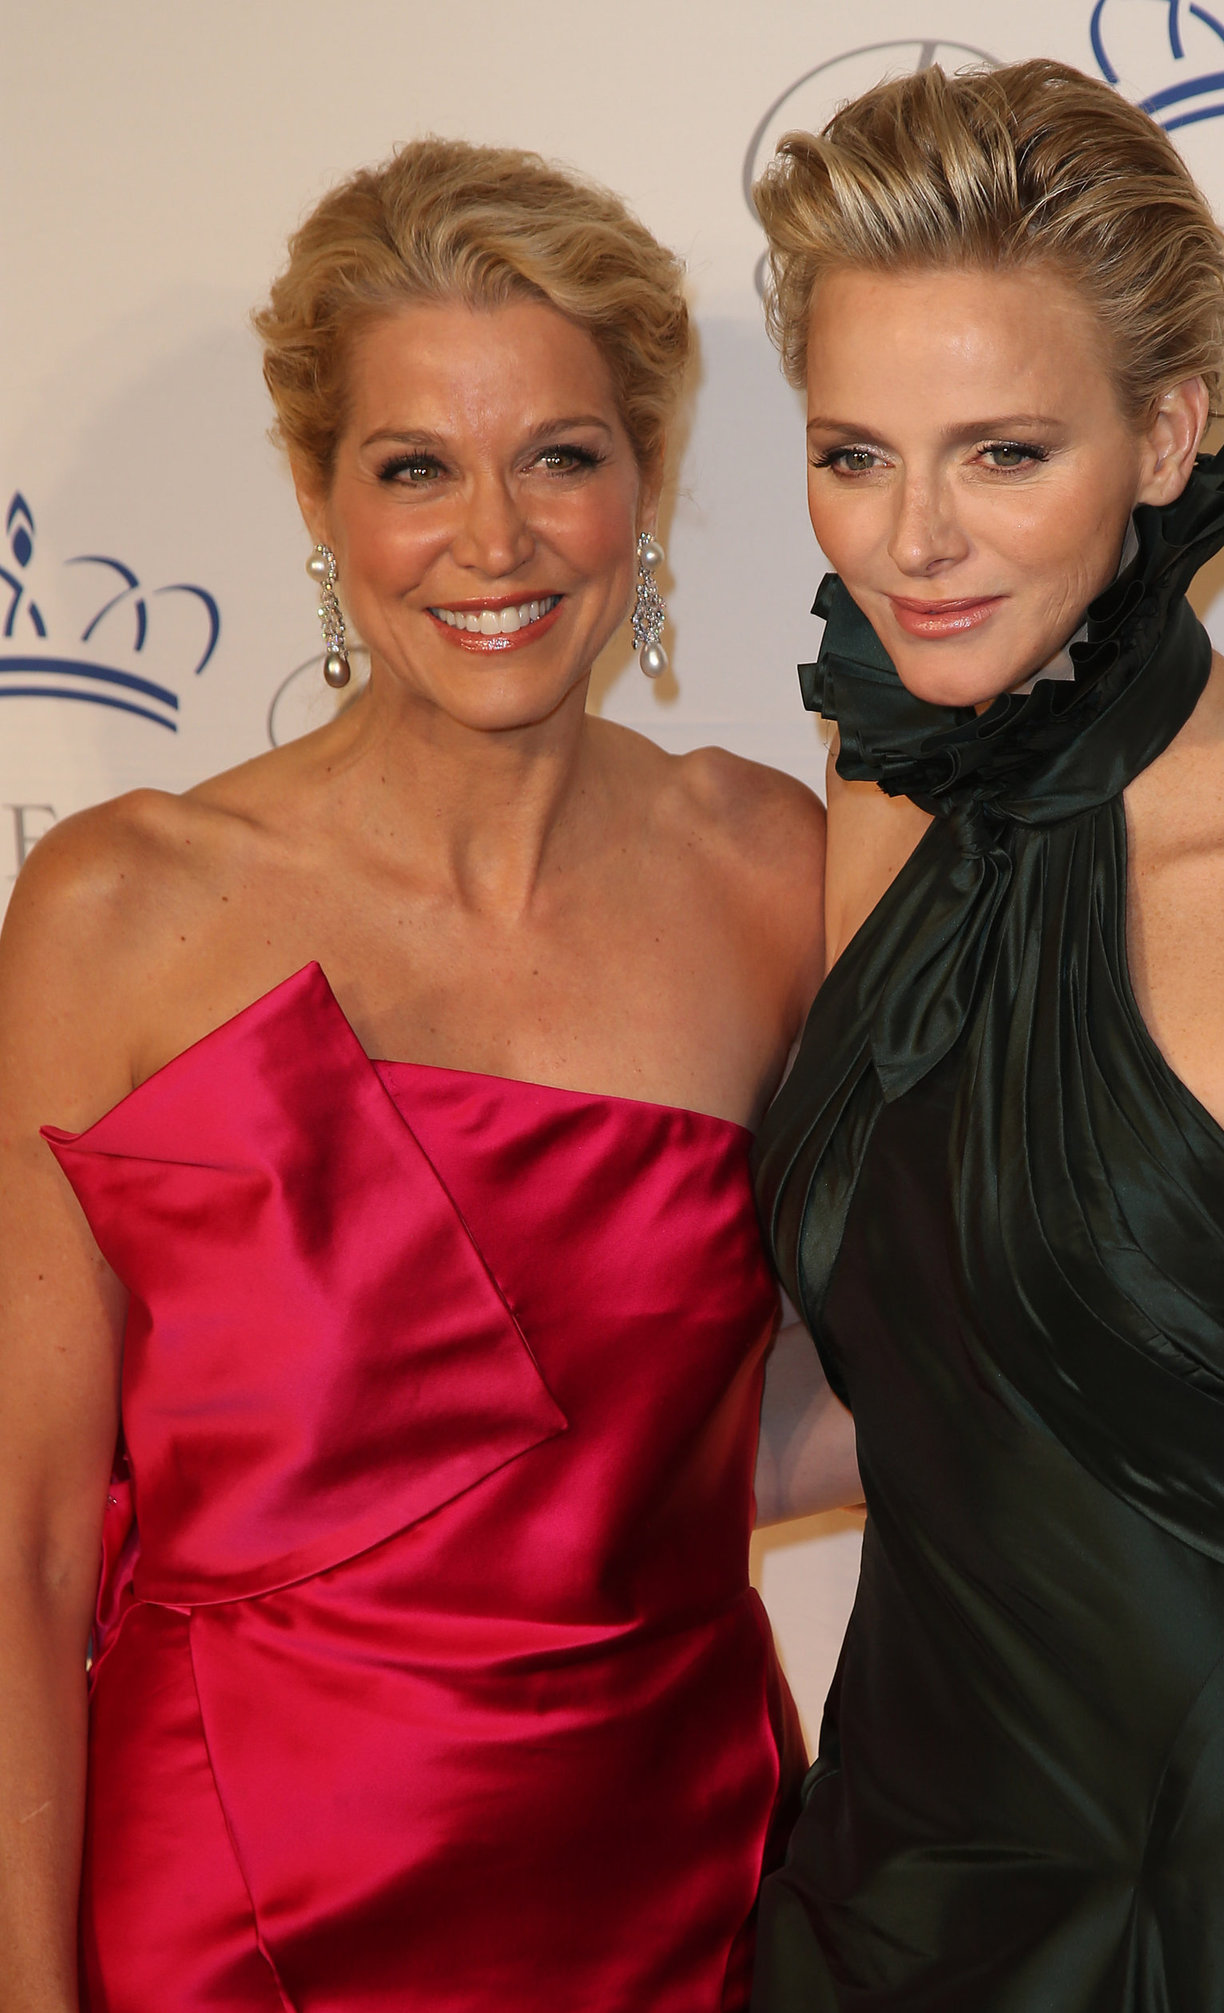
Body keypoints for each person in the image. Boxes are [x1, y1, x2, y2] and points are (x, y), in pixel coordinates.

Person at [0, 138, 824, 2012]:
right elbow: (27, 1544)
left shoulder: (776, 874)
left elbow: (802, 1400)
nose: (493, 540)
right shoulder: (119, 911)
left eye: (559, 455)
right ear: (315, 493)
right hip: (241, 1911)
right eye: (413, 468)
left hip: (678, 1884)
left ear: (646, 476)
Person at [747, 58, 1224, 2013]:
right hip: (897, 1879)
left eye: (1001, 452)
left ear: (1165, 433)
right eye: (853, 453)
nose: (911, 539)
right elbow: (921, 1377)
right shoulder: (883, 784)